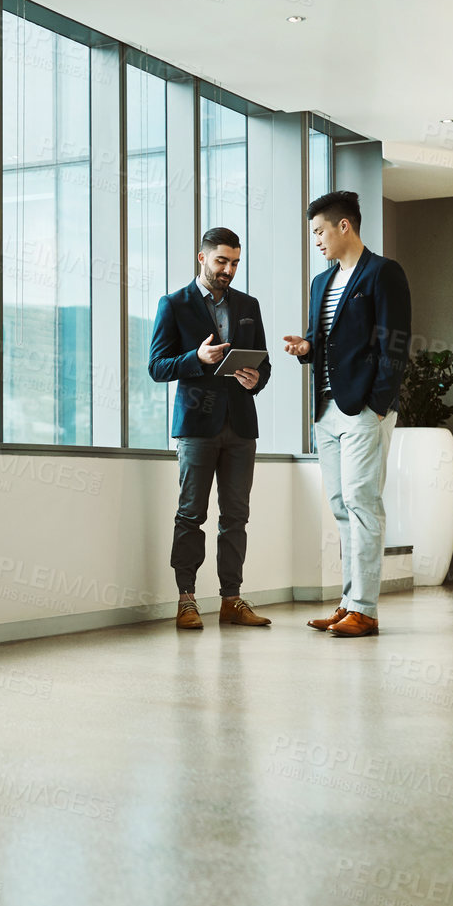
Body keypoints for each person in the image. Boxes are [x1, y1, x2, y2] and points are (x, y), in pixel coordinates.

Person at [282, 191, 412, 638]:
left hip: (363, 410)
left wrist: (379, 405)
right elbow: (330, 342)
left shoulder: (383, 273)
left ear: (344, 227)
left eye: (319, 231)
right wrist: (306, 348)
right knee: (341, 505)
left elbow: (394, 344)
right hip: (326, 411)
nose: (316, 240)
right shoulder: (322, 283)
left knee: (362, 503)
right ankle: (348, 602)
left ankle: (366, 609)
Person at [149, 227, 273, 630]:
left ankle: (231, 600)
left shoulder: (248, 304)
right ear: (201, 258)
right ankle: (186, 599)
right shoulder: (173, 304)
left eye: (235, 262)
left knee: (236, 517)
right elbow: (157, 367)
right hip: (197, 427)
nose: (229, 269)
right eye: (221, 260)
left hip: (240, 426)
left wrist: (258, 379)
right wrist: (196, 358)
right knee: (191, 515)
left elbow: (264, 365)